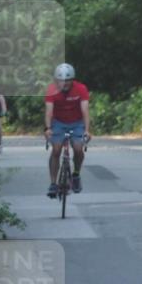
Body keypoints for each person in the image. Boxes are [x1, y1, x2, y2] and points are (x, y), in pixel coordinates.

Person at [44, 63, 91, 197]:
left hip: (77, 122)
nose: (64, 83)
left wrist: (87, 130)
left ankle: (76, 174)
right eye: (61, 80)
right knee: (56, 149)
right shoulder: (51, 90)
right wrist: (48, 128)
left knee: (77, 148)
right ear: (56, 80)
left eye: (68, 80)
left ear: (72, 80)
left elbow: (85, 110)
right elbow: (48, 111)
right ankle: (53, 183)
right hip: (58, 122)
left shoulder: (81, 89)